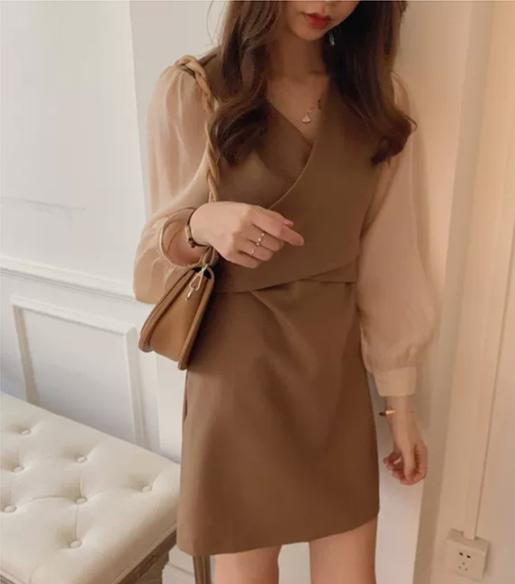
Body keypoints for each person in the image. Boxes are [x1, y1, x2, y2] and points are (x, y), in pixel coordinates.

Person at [133, 1, 438, 583]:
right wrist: (202, 224)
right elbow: (154, 251)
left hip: (332, 369)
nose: (325, 3)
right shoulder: (193, 91)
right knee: (246, 571)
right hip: (237, 369)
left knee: (352, 573)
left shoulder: (381, 100)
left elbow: (391, 260)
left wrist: (400, 402)